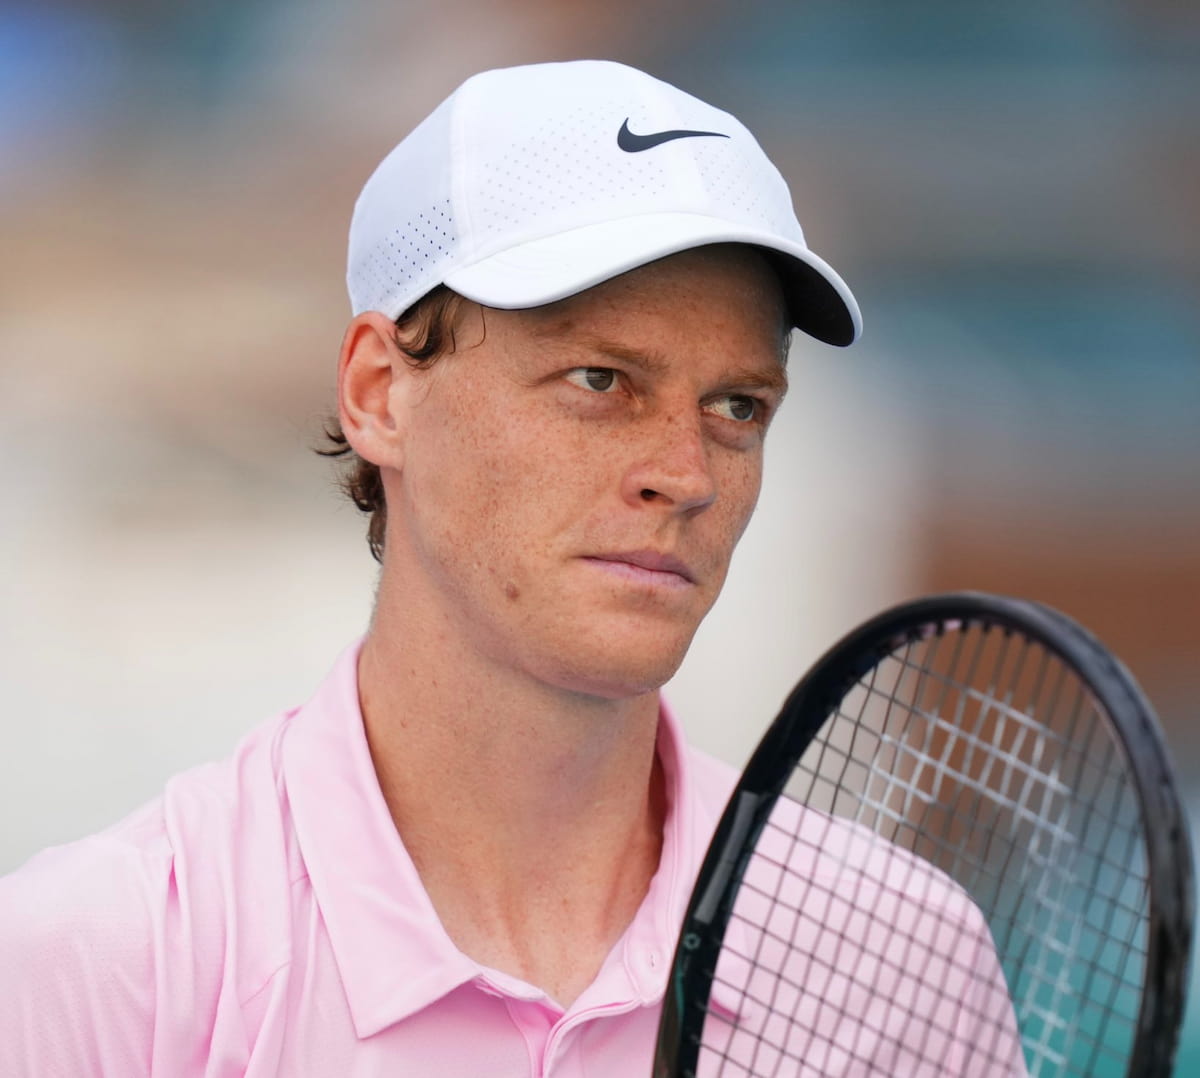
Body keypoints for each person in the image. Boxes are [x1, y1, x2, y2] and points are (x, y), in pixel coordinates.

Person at [0, 60, 1026, 1075]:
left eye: (737, 407)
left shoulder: (899, 955)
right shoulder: (91, 958)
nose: (686, 474)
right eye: (599, 378)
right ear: (378, 392)